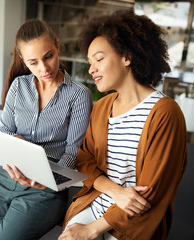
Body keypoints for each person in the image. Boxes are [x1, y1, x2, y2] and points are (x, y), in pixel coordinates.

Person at [59, 10, 187, 240]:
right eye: (90, 62)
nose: (91, 69)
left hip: (133, 221)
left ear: (127, 57)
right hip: (94, 205)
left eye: (98, 59)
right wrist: (114, 191)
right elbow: (83, 160)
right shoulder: (101, 107)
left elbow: (150, 194)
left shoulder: (165, 113)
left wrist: (91, 231)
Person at [0, 19, 92, 240]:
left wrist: (50, 181)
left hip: (43, 190)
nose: (44, 68)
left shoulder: (79, 95)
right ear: (23, 61)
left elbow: (72, 153)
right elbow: (4, 131)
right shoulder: (18, 86)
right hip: (2, 176)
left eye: (48, 56)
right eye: (33, 62)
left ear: (58, 46)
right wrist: (14, 140)